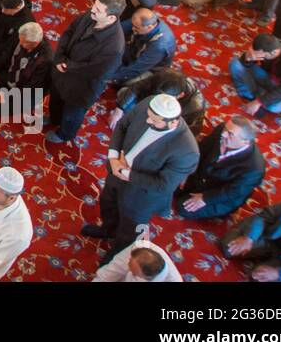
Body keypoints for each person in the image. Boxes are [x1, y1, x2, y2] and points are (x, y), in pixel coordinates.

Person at [81, 94, 199, 255]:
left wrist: (125, 172)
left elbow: (163, 185)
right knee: (108, 203)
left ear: (173, 122)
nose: (148, 121)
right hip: (116, 171)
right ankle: (107, 230)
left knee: (129, 230)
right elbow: (122, 125)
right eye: (149, 117)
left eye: (154, 121)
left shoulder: (186, 151)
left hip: (141, 195)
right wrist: (114, 157)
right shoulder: (149, 105)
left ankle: (115, 256)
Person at [46, 0, 127, 143]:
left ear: (111, 18)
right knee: (56, 98)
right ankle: (54, 118)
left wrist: (68, 66)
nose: (92, 10)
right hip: (63, 71)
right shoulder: (91, 16)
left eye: (98, 10)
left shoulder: (114, 46)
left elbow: (96, 70)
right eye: (94, 6)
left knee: (72, 113)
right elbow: (69, 32)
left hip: (82, 86)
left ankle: (64, 135)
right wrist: (60, 57)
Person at [177, 115, 265, 220]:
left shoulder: (254, 169)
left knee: (183, 207)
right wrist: (187, 171)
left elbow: (233, 192)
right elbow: (202, 149)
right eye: (225, 129)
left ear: (245, 142)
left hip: (219, 194)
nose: (223, 134)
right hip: (201, 175)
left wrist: (205, 198)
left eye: (230, 134)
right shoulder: (222, 129)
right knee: (168, 184)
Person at [92, 239, 183, 282]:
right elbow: (114, 268)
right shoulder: (139, 247)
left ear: (147, 278)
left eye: (134, 272)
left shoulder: (173, 280)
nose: (128, 267)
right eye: (129, 262)